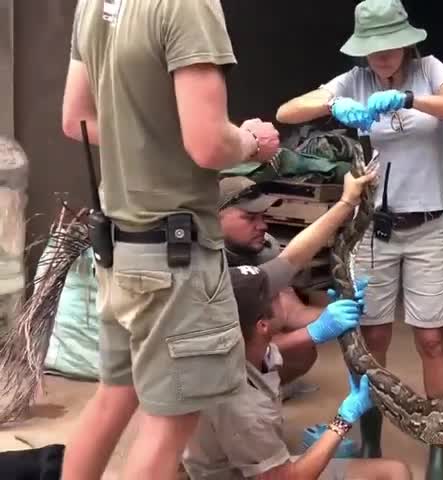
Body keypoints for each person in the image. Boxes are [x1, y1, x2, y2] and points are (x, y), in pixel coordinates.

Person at [60, 1, 281, 479]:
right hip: (173, 257)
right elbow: (207, 143)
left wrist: (146, 138)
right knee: (169, 422)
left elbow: (75, 118)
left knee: (112, 398)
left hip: (119, 250)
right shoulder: (187, 5)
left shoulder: (93, 5)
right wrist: (251, 142)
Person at [275, 0, 443, 471]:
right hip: (372, 229)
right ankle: (369, 437)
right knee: (373, 338)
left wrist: (411, 99)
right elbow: (287, 111)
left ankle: (438, 445)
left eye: (390, 47)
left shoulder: (429, 70)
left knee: (431, 339)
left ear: (407, 42)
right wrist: (334, 103)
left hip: (428, 227)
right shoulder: (355, 80)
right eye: (373, 50)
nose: (382, 58)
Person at [182, 166, 411, 480]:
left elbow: (290, 262)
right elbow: (289, 478)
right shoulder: (194, 273)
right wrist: (342, 421)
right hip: (245, 456)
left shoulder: (237, 313)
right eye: (249, 217)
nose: (284, 295)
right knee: (391, 473)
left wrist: (334, 317)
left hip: (230, 407)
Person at [218, 176, 326, 386]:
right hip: (208, 349)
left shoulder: (263, 248)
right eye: (250, 218)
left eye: (262, 216)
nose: (263, 226)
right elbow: (225, 341)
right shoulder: (201, 260)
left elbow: (289, 310)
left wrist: (341, 315)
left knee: (301, 351)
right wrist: (309, 334)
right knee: (261, 333)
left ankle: (258, 389)